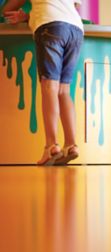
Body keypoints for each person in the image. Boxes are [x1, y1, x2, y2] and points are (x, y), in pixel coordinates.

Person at [2, 0, 84, 165]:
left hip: (50, 25)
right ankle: (71, 145)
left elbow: (7, 9)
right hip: (76, 29)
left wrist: (25, 16)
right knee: (64, 90)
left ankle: (51, 145)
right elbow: (73, 6)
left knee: (49, 87)